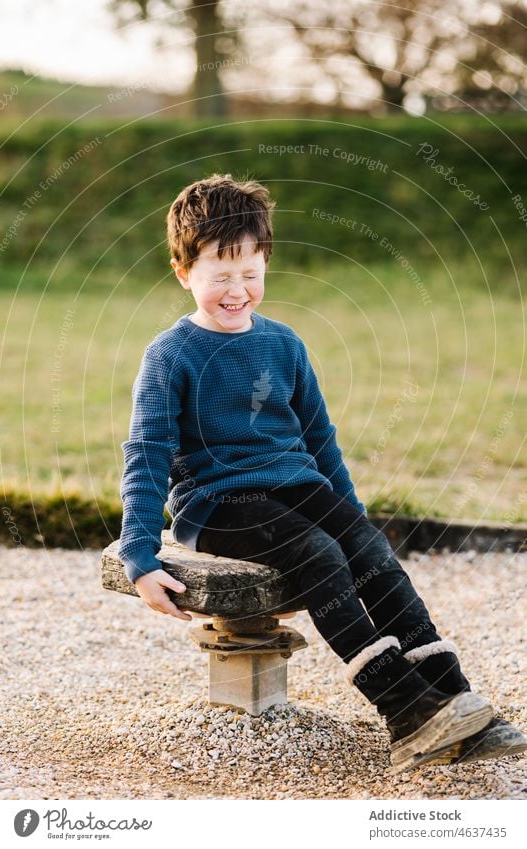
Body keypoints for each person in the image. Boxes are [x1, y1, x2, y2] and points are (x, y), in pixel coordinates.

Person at [118, 172, 526, 773]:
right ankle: (406, 714)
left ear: (266, 266)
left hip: (295, 485)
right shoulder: (170, 355)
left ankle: (454, 696)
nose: (238, 291)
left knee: (363, 544)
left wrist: (352, 514)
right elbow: (147, 450)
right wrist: (140, 556)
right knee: (318, 553)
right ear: (185, 272)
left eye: (251, 274)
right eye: (220, 276)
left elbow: (319, 440)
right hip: (216, 505)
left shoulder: (285, 345)